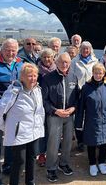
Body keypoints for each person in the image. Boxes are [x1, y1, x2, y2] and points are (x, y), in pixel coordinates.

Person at [0, 63, 45, 185]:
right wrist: (5, 127)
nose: (33, 78)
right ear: (22, 77)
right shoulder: (14, 91)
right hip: (19, 134)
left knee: (31, 158)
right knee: (19, 161)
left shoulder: (37, 90)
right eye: (30, 76)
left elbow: (40, 112)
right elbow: (0, 110)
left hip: (34, 132)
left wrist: (40, 128)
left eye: (35, 75)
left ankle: (31, 182)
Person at [41, 53, 79, 183]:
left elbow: (77, 98)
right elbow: (44, 100)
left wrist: (73, 108)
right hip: (54, 115)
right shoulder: (47, 78)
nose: (64, 65)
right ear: (56, 63)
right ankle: (51, 168)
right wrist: (55, 111)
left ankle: (64, 163)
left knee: (68, 141)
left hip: (69, 115)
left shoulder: (73, 77)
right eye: (62, 62)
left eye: (67, 62)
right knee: (53, 143)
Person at [75, 63, 106, 176]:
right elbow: (81, 106)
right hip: (91, 120)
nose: (98, 75)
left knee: (104, 143)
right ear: (92, 73)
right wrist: (78, 123)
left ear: (103, 74)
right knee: (91, 142)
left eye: (100, 73)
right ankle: (92, 163)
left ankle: (102, 162)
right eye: (96, 73)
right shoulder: (86, 88)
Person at [0, 39, 23, 180]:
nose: (11, 52)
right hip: (0, 108)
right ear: (2, 50)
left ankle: (8, 165)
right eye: (8, 49)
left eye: (13, 50)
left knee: (10, 139)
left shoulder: (20, 64)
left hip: (15, 110)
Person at [71, 41, 98, 151]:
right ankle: (80, 141)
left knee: (91, 116)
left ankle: (90, 139)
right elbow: (71, 76)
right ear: (80, 49)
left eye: (87, 49)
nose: (85, 51)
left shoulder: (95, 61)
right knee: (79, 117)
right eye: (83, 48)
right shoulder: (74, 61)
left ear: (90, 50)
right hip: (79, 92)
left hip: (92, 92)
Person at [36, 48, 57, 167]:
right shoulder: (37, 71)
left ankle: (51, 153)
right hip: (40, 104)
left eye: (49, 57)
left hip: (53, 104)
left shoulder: (56, 70)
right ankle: (41, 154)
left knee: (52, 131)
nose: (46, 59)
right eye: (44, 57)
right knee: (42, 130)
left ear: (53, 58)